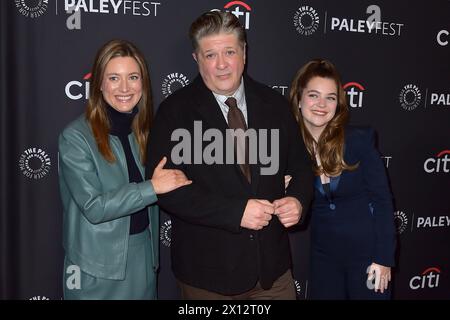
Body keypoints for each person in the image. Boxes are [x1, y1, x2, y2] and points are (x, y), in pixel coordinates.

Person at [146, 11, 313, 299]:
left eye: (229, 52)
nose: (222, 64)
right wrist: (236, 213)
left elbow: (301, 168)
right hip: (207, 278)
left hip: (272, 273)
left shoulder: (275, 104)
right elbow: (168, 192)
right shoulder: (174, 112)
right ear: (197, 58)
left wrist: (298, 199)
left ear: (244, 54)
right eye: (210, 55)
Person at [58, 39, 191, 299]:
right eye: (114, 78)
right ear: (98, 83)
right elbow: (94, 207)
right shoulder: (75, 137)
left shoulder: (146, 134)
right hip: (96, 266)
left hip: (143, 258)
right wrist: (151, 187)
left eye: (133, 77)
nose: (125, 88)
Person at [289, 59, 397, 299]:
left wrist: (383, 258)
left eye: (330, 97)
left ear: (338, 104)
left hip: (368, 255)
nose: (321, 104)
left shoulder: (359, 140)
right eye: (313, 95)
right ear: (299, 99)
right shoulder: (291, 150)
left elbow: (382, 201)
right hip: (324, 258)